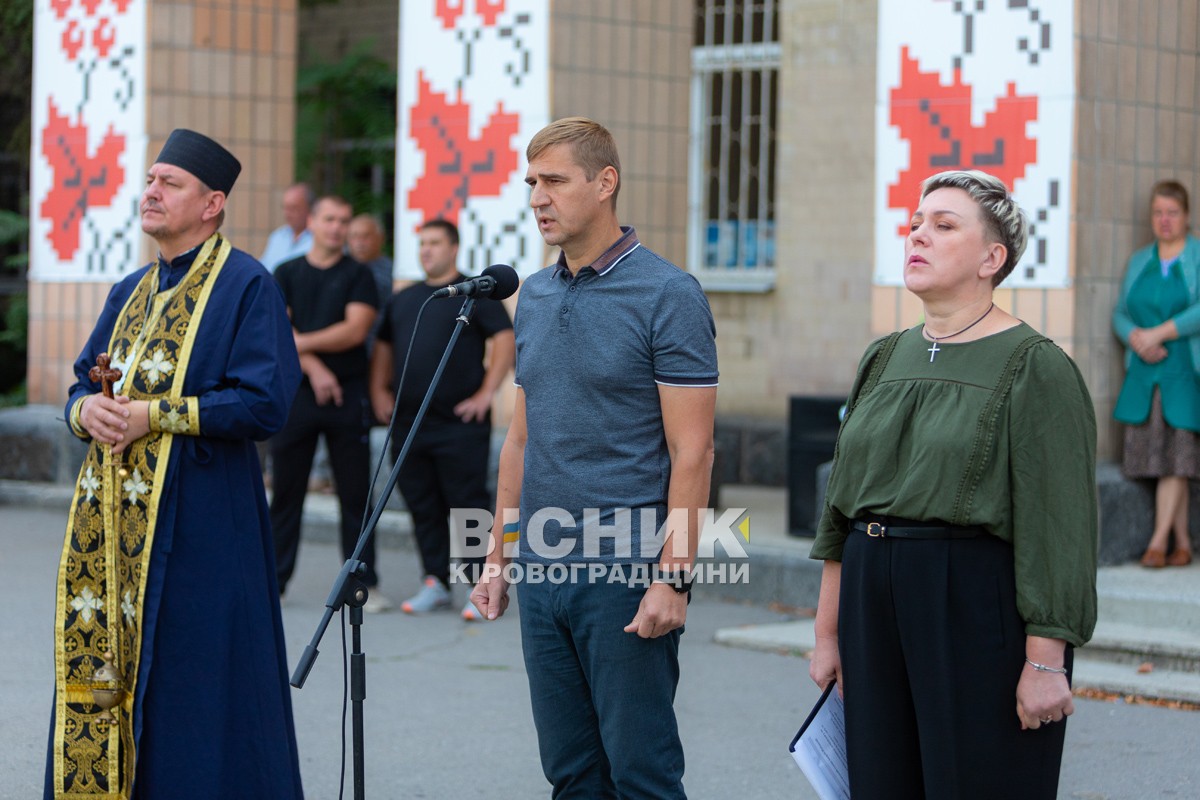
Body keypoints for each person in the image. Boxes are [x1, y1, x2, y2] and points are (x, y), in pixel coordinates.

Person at [808, 170, 1098, 800]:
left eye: (944, 226)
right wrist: (828, 634)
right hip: (870, 595)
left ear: (992, 259)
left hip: (968, 601)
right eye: (916, 223)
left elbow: (1060, 525)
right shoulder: (883, 357)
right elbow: (840, 511)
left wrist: (1046, 662)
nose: (919, 235)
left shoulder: (1035, 365)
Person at [46, 129, 304, 798]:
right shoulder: (130, 289)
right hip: (109, 538)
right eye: (150, 179)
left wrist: (153, 415)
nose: (151, 191)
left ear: (212, 203)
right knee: (109, 681)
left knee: (200, 689)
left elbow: (264, 402)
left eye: (170, 183)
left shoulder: (248, 284)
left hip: (204, 526)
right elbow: (83, 382)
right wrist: (87, 413)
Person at [470, 118, 718, 798]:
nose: (538, 198)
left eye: (554, 181)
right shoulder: (535, 295)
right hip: (544, 567)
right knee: (572, 775)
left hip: (624, 568)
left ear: (604, 183)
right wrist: (499, 556)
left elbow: (692, 450)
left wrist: (674, 577)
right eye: (531, 184)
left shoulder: (668, 295)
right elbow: (521, 439)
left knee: (641, 775)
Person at [369, 219, 514, 620]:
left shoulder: (476, 294)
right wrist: (379, 390)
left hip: (459, 423)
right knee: (422, 502)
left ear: (453, 248)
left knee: (467, 504)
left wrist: (486, 393)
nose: (426, 250)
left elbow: (504, 340)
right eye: (422, 244)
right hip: (411, 422)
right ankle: (434, 580)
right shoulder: (412, 298)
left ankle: (478, 584)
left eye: (434, 243)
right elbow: (384, 345)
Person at [270, 196, 388, 611]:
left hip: (347, 395)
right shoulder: (286, 272)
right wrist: (315, 368)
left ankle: (361, 583)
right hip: (296, 394)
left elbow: (355, 331)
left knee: (356, 493)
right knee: (286, 491)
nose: (337, 228)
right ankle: (274, 582)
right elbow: (275, 328)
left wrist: (299, 344)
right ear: (313, 222)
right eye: (330, 219)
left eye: (344, 220)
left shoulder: (360, 275)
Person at [1113, 179, 1200, 568]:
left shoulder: (1197, 256)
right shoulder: (1138, 260)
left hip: (1183, 371)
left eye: (1173, 213)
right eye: (1158, 213)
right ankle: (1182, 542)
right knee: (1163, 459)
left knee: (1178, 456)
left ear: (1186, 216)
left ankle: (1157, 540)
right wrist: (1135, 337)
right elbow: (1119, 312)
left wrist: (1159, 333)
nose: (1165, 221)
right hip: (1144, 374)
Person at [261, 182, 314, 273]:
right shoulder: (277, 236)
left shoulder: (319, 240)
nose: (287, 214)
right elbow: (263, 268)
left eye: (293, 208)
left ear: (310, 209)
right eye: (285, 208)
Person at [349, 213, 395, 308]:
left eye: (366, 236)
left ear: (381, 238)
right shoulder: (339, 267)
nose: (359, 242)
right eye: (354, 236)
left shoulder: (393, 271)